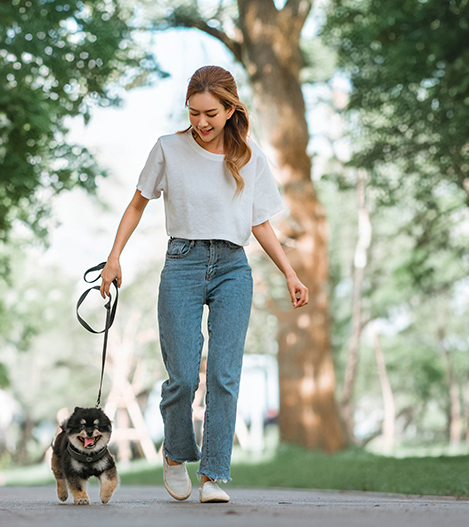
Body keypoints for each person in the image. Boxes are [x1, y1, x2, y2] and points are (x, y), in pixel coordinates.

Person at [99, 65, 309, 503]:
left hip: (234, 267)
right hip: (182, 263)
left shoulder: (250, 159)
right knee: (181, 375)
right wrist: (114, 257)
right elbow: (137, 205)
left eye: (211, 113)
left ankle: (213, 474)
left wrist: (290, 273)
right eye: (193, 113)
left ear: (231, 109)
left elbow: (262, 225)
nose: (201, 122)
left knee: (225, 375)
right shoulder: (168, 149)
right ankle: (175, 455)